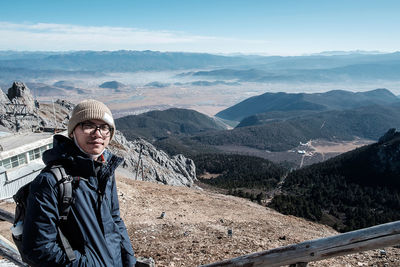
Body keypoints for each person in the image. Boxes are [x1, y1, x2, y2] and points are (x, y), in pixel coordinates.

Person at [22, 99, 136, 266]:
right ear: (73, 131)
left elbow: (114, 220)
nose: (97, 133)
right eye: (88, 125)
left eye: (104, 127)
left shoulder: (104, 171)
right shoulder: (50, 181)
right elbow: (38, 249)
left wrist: (129, 261)